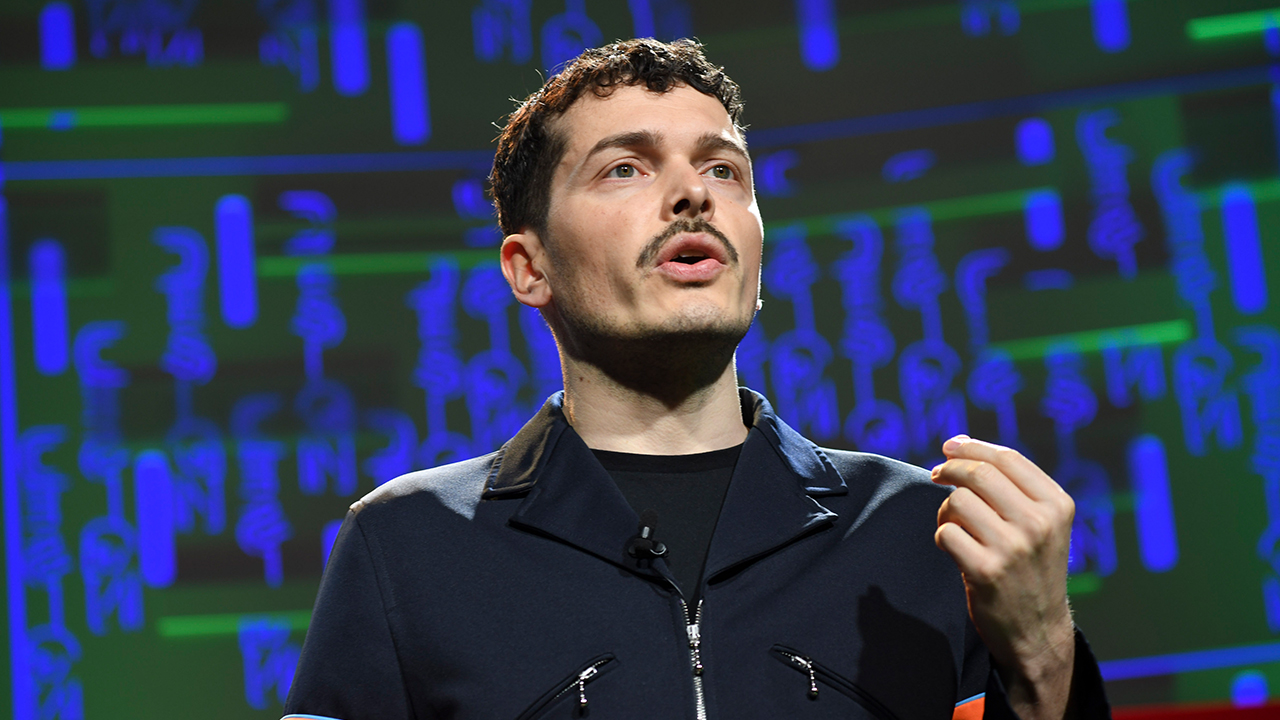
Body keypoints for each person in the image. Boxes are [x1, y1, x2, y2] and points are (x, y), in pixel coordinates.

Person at [283, 38, 1110, 720]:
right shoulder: (409, 547)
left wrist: (1043, 659)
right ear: (529, 268)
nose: (692, 195)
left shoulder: (920, 534)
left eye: (723, 170)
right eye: (625, 168)